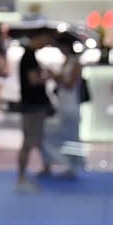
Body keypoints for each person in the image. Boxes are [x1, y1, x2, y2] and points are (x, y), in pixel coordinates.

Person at [40, 39, 85, 179]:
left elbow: (69, 84)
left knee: (72, 137)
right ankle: (55, 163)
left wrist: (55, 77)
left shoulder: (75, 63)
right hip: (61, 105)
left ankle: (73, 167)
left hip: (70, 107)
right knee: (51, 135)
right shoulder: (66, 62)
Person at [17, 28, 53, 191]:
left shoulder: (30, 56)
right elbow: (33, 81)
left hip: (33, 105)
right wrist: (48, 76)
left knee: (35, 140)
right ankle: (21, 178)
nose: (47, 43)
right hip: (33, 106)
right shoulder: (29, 57)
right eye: (46, 39)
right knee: (28, 142)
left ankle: (43, 168)